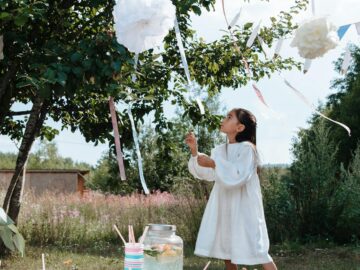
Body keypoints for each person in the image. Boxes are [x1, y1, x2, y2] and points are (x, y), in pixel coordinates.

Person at [185, 108, 277, 270]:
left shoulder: (248, 149)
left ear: (240, 127)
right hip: (225, 205)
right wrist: (195, 151)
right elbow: (208, 173)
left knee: (257, 248)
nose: (224, 119)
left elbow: (238, 176)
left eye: (229, 117)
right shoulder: (220, 150)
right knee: (226, 249)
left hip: (244, 207)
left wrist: (214, 163)